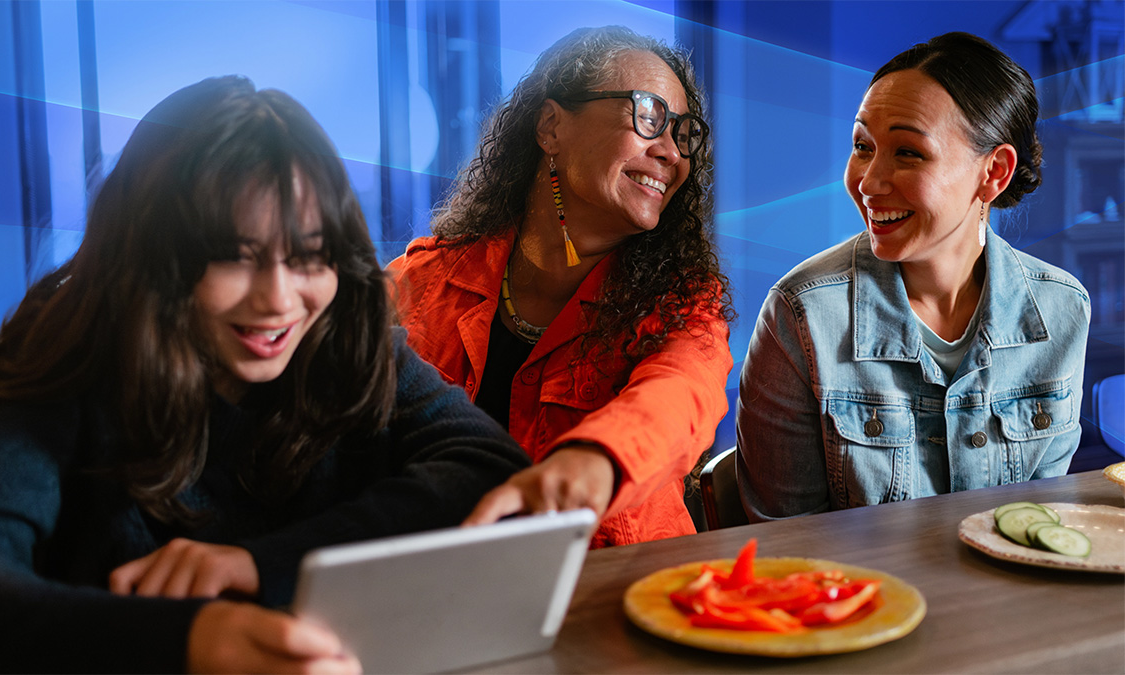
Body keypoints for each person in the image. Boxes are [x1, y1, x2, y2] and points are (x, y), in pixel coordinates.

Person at [0, 76, 531, 673]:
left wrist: (257, 566)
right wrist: (189, 639)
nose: (279, 300)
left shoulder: (345, 335)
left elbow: (489, 469)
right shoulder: (69, 355)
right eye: (235, 257)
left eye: (308, 257)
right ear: (152, 254)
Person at [388, 26, 734, 547]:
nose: (671, 153)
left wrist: (594, 461)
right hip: (431, 589)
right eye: (648, 115)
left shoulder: (684, 303)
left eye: (683, 133)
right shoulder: (419, 280)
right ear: (550, 126)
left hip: (611, 591)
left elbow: (680, 395)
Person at [735, 32, 1090, 521]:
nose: (868, 181)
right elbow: (786, 545)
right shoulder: (802, 314)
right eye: (863, 145)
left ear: (994, 172)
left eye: (908, 153)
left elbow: (1039, 526)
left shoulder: (1062, 309)